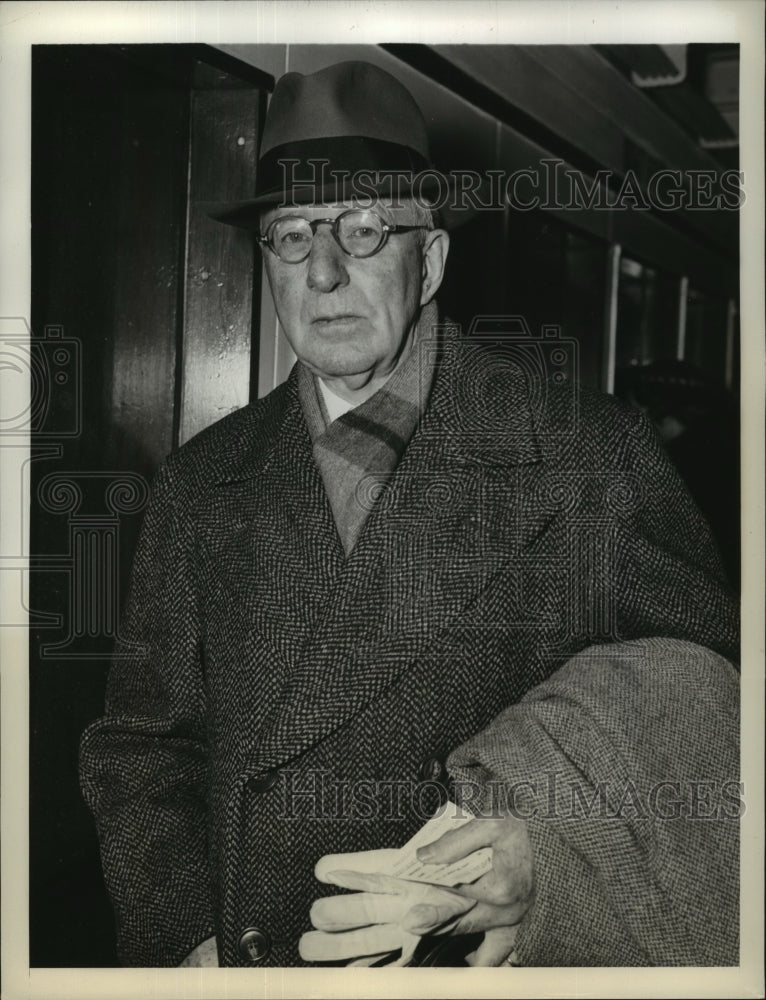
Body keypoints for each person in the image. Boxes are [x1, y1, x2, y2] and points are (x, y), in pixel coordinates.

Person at [79, 60, 739, 969]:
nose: (324, 270)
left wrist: (552, 856)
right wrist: (185, 937)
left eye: (363, 228)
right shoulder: (201, 482)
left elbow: (709, 706)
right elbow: (141, 748)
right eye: (292, 234)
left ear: (427, 259)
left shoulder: (587, 457)